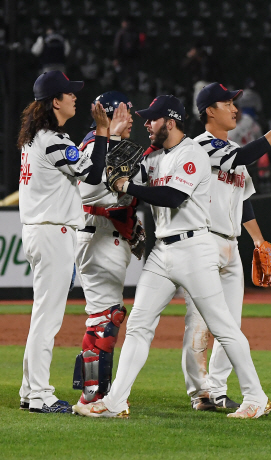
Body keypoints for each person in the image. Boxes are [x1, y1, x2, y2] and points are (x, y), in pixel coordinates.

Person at [72, 95, 271, 419]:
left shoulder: (193, 154)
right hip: (162, 251)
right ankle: (116, 401)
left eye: (152, 119)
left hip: (194, 250)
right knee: (139, 326)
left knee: (223, 326)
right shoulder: (153, 157)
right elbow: (122, 190)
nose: (146, 124)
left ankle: (256, 397)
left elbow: (172, 196)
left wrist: (127, 183)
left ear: (169, 122)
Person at [182, 83, 271, 411]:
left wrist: (259, 240)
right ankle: (200, 393)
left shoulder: (230, 150)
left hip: (231, 244)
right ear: (208, 111)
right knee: (200, 322)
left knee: (231, 325)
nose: (235, 108)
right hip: (202, 242)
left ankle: (217, 389)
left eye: (235, 102)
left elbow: (244, 202)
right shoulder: (200, 146)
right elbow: (247, 154)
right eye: (226, 102)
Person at [18, 71, 110, 413]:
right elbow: (94, 173)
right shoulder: (52, 139)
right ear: (55, 101)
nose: (75, 98)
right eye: (69, 94)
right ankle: (40, 394)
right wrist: (102, 132)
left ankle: (30, 390)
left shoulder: (35, 138)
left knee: (42, 316)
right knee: (48, 319)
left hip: (41, 230)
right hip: (52, 231)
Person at [72, 91, 136, 411]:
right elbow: (90, 191)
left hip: (108, 238)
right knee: (104, 322)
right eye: (126, 111)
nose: (133, 118)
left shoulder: (110, 145)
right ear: (109, 115)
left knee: (108, 320)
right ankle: (90, 396)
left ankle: (98, 392)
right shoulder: (93, 144)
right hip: (95, 235)